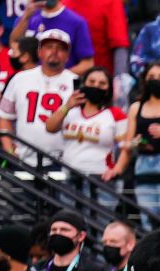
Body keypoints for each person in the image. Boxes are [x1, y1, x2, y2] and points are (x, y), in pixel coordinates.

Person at [111, 62, 160, 229]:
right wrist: (135, 144)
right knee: (148, 224)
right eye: (152, 77)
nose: (156, 80)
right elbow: (127, 144)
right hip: (143, 170)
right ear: (144, 80)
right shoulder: (136, 107)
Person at [45, 66, 127, 207]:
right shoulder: (71, 111)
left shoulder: (116, 114)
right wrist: (67, 106)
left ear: (108, 89)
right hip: (70, 176)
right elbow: (50, 127)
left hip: (101, 179)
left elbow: (125, 147)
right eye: (92, 82)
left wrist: (117, 169)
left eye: (102, 83)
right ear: (84, 84)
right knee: (71, 222)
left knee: (100, 224)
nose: (96, 86)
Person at [0, 29, 78, 167]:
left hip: (62, 161)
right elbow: (5, 117)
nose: (54, 51)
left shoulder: (75, 82)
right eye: (49, 47)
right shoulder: (19, 79)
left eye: (60, 48)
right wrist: (9, 149)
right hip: (22, 158)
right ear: (39, 51)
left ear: (68, 55)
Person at [10, 0, 95, 74]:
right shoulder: (28, 17)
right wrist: (25, 17)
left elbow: (87, 63)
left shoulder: (76, 22)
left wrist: (59, 77)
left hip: (60, 85)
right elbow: (14, 44)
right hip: (29, 80)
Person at [66, 0, 130, 82]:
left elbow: (119, 45)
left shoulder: (111, 3)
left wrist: (120, 83)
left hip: (101, 82)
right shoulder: (62, 4)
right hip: (65, 84)